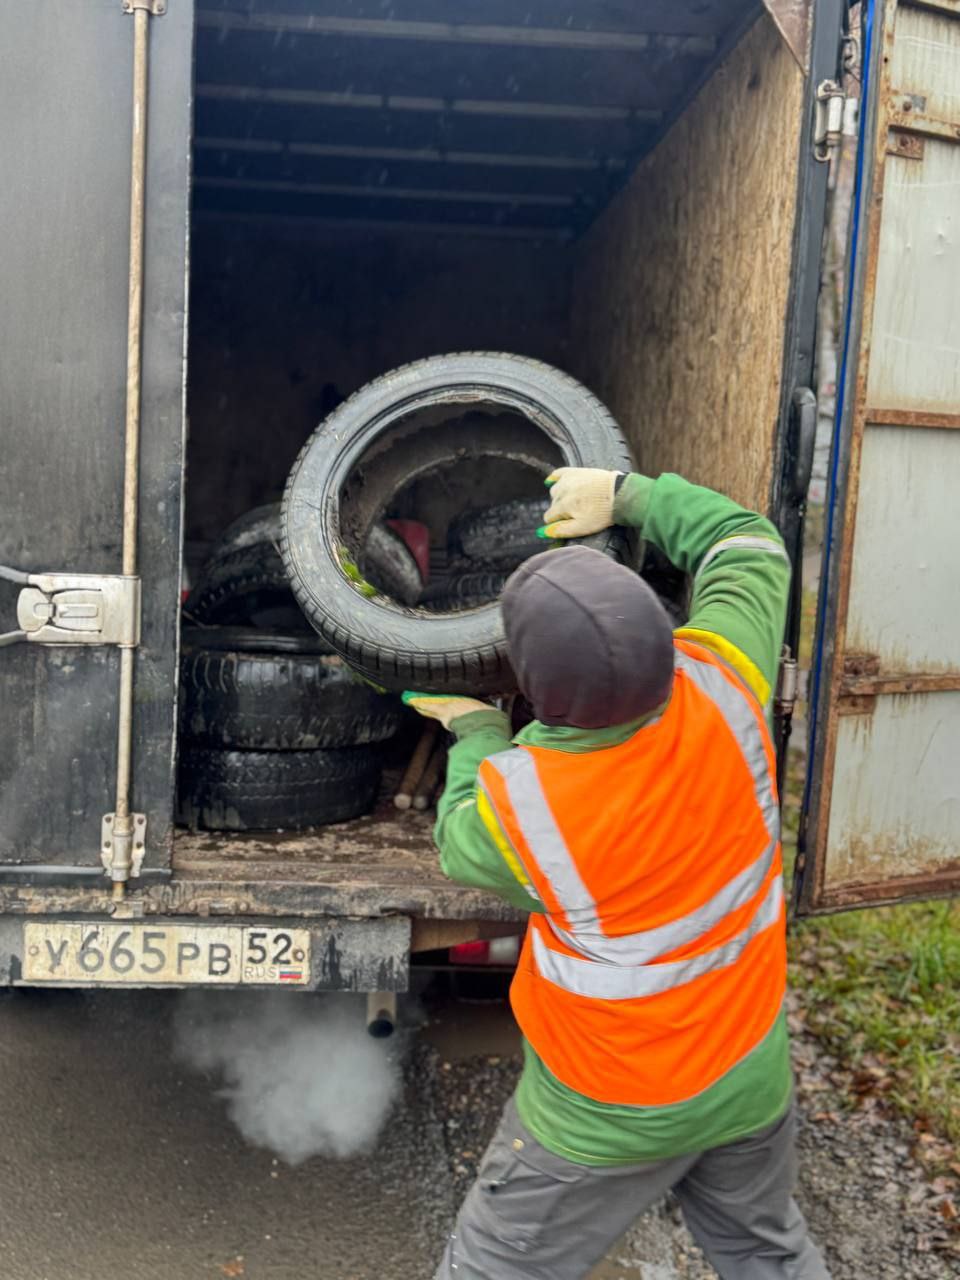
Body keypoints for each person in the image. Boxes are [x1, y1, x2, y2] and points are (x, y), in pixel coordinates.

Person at [404, 467, 830, 1280]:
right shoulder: (727, 678)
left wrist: (477, 729)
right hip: (746, 1070)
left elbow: (461, 839)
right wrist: (628, 494)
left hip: (606, 1113)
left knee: (492, 1270)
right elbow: (750, 545)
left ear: (534, 689)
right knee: (766, 1255)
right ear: (664, 635)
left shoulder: (524, 807)